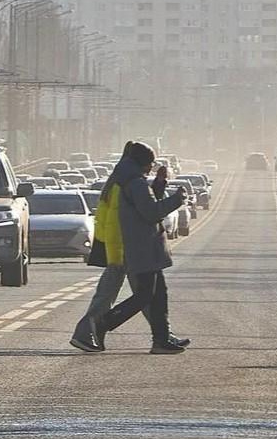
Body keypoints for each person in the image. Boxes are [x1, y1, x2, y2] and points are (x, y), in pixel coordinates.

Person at [70, 148, 189, 353]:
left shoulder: (125, 179)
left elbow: (143, 205)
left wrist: (159, 185)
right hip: (137, 247)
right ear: (143, 163)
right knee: (143, 296)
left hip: (138, 246)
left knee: (157, 294)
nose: (152, 167)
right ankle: (101, 324)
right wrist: (177, 200)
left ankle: (161, 339)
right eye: (151, 163)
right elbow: (150, 212)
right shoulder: (134, 182)